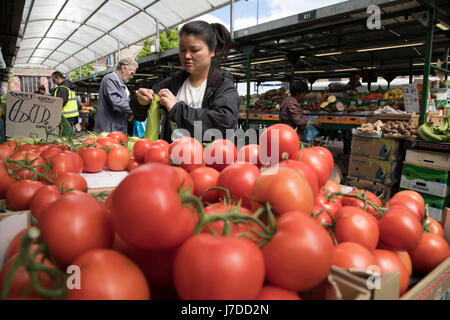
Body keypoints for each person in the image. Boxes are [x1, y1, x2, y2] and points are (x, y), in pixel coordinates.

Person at [132, 21, 240, 142]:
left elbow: (225, 123)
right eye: (183, 50)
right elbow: (139, 115)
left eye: (194, 50)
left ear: (212, 51)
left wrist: (177, 109)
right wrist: (141, 102)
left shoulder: (223, 85)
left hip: (206, 159)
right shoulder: (172, 83)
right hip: (171, 157)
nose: (187, 56)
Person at [94, 58, 138, 134]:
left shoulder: (121, 83)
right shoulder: (110, 79)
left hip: (117, 128)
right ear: (124, 68)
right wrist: (137, 108)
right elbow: (116, 102)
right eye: (132, 73)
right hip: (108, 129)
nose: (132, 77)